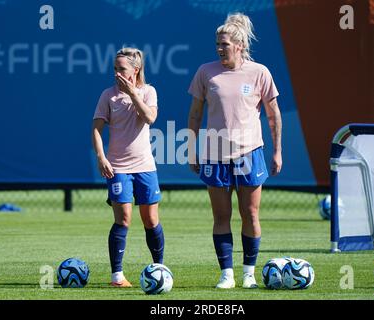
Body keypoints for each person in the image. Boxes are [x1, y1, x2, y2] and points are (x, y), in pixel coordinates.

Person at [187, 13, 283, 289]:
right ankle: (226, 274)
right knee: (221, 216)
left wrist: (277, 152)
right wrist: (192, 150)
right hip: (214, 154)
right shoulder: (206, 72)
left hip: (250, 152)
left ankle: (249, 274)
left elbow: (273, 115)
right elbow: (194, 116)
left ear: (239, 45)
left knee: (250, 215)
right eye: (217, 43)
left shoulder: (259, 73)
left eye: (224, 44)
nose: (219, 48)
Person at [92, 47, 164, 288]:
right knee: (123, 219)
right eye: (114, 69)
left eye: (121, 69)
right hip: (117, 167)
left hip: (145, 166)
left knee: (151, 220)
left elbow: (150, 118)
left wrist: (133, 94)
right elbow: (95, 129)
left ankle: (160, 269)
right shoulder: (107, 96)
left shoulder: (148, 91)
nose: (116, 73)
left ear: (136, 70)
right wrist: (102, 157)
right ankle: (117, 277)